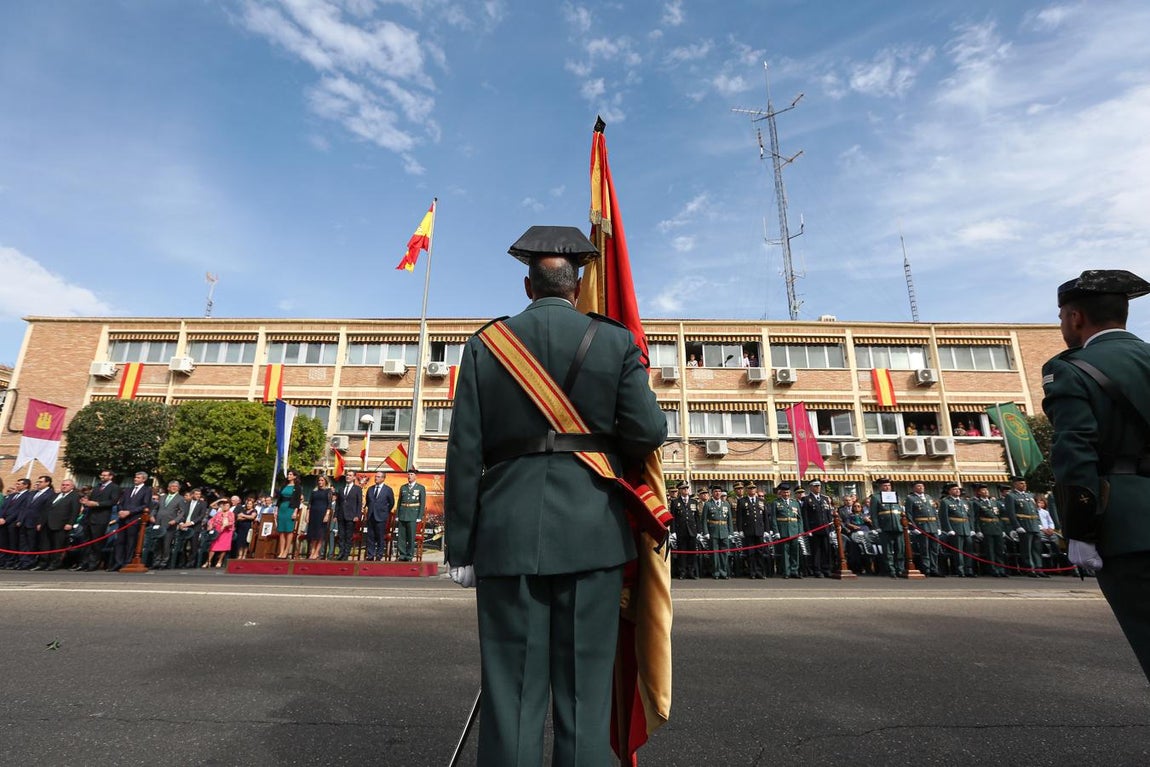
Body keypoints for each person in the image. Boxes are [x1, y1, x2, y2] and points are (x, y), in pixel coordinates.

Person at [443, 226, 667, 767]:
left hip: (505, 534)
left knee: (511, 695)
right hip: (593, 532)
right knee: (584, 696)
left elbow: (464, 449)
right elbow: (647, 431)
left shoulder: (485, 344)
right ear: (578, 285)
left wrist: (460, 545)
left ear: (527, 287)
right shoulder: (614, 341)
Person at [1042, 268, 1150, 681]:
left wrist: (1080, 531)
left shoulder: (1072, 367)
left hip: (1129, 530)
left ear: (1075, 318)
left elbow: (1075, 454)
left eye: (1061, 319)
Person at [1003, 475, 1042, 577]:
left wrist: (1039, 523)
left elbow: (1035, 511)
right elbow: (1011, 513)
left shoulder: (1029, 496)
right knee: (1027, 549)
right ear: (1015, 484)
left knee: (1037, 548)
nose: (1024, 485)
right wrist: (1017, 526)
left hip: (1034, 524)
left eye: (1025, 483)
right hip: (1024, 525)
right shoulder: (1011, 496)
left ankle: (1039, 568)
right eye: (1021, 483)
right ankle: (1029, 568)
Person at [112, 472, 152, 571]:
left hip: (134, 519)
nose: (135, 479)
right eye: (135, 477)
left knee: (131, 541)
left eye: (138, 478)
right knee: (120, 541)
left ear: (144, 479)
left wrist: (129, 512)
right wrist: (121, 510)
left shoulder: (146, 490)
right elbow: (120, 502)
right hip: (123, 519)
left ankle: (127, 562)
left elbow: (145, 505)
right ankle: (118, 562)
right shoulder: (128, 490)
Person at [41, 479, 81, 571]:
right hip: (47, 523)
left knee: (57, 545)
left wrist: (70, 523)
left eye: (67, 485)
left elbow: (75, 511)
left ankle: (54, 563)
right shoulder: (56, 495)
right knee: (45, 545)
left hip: (61, 525)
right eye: (63, 484)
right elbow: (46, 509)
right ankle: (43, 562)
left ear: (72, 487)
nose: (64, 486)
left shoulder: (74, 496)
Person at [870, 478, 906, 578]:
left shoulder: (896, 496)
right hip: (885, 526)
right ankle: (891, 570)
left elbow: (901, 510)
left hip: (898, 525)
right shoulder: (876, 497)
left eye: (889, 485)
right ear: (880, 487)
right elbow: (874, 514)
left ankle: (900, 569)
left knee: (900, 549)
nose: (887, 487)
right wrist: (876, 526)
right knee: (888, 551)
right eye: (885, 486)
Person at [905, 481, 942, 577]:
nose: (921, 487)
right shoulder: (910, 498)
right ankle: (927, 568)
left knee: (934, 549)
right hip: (922, 526)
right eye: (918, 486)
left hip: (933, 525)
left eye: (922, 486)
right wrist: (913, 527)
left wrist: (938, 526)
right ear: (914, 488)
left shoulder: (929, 497)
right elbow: (909, 514)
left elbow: (935, 513)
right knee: (924, 549)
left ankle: (934, 568)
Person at [801, 479, 836, 578]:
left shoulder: (825, 499)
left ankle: (826, 568)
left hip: (825, 529)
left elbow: (828, 514)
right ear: (811, 487)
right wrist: (808, 530)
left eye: (819, 486)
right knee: (816, 551)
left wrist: (831, 528)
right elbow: (805, 516)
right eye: (815, 486)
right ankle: (817, 570)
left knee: (826, 549)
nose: (818, 488)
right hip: (814, 529)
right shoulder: (807, 499)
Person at [971, 483, 1007, 577]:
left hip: (997, 527)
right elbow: (975, 517)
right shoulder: (976, 503)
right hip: (986, 527)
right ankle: (992, 569)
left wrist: (1002, 529)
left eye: (986, 490)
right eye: (983, 490)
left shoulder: (994, 502)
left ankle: (1001, 568)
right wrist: (978, 530)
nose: (986, 491)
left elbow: (999, 516)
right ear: (978, 492)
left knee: (999, 550)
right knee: (990, 550)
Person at [940, 483, 974, 577]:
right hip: (955, 528)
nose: (957, 490)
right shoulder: (946, 501)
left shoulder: (964, 501)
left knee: (968, 550)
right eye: (954, 489)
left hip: (966, 527)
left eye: (958, 489)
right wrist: (948, 529)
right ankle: (960, 570)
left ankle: (969, 569)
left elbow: (970, 516)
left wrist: (972, 528)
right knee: (958, 551)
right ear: (949, 491)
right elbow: (944, 516)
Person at [150, 480, 187, 569]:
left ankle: (164, 562)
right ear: (168, 488)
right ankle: (156, 562)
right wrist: (151, 515)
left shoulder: (180, 498)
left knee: (166, 544)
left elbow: (182, 512)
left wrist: (175, 520)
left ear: (178, 488)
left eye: (176, 486)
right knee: (157, 543)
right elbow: (156, 508)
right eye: (172, 486)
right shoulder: (163, 497)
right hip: (158, 523)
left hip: (169, 524)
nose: (174, 488)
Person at [669, 480, 701, 580]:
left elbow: (697, 518)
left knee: (692, 552)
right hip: (681, 531)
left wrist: (699, 531)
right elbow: (672, 518)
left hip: (692, 531)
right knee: (682, 553)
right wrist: (673, 531)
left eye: (687, 488)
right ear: (679, 490)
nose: (686, 490)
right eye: (683, 488)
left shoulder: (694, 502)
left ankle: (691, 571)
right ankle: (682, 571)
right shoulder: (675, 502)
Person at [738, 481, 769, 579]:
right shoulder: (742, 501)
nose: (752, 490)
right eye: (750, 488)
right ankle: (752, 572)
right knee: (750, 553)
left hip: (759, 530)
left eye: (753, 488)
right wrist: (740, 530)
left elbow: (765, 517)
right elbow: (740, 517)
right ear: (747, 490)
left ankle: (760, 572)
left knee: (760, 552)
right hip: (748, 530)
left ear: (756, 490)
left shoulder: (761, 501)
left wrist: (767, 530)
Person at [772, 483, 803, 579]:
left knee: (795, 551)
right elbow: (773, 518)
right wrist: (776, 531)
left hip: (794, 530)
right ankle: (787, 571)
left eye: (788, 492)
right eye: (784, 492)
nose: (786, 494)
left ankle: (795, 570)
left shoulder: (795, 503)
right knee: (785, 553)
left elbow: (799, 518)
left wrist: (800, 531)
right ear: (781, 493)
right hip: (783, 530)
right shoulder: (776, 503)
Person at [171, 488, 206, 569]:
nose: (198, 496)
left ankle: (190, 563)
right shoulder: (186, 503)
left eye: (199, 494)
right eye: (196, 494)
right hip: (184, 526)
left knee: (193, 546)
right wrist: (181, 523)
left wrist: (191, 522)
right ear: (192, 494)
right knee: (182, 546)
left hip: (195, 527)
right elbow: (182, 514)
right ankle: (182, 562)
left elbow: (201, 516)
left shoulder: (202, 503)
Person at [396, 469, 425, 562]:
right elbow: (399, 502)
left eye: (411, 474)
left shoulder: (420, 488)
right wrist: (397, 514)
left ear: (415, 476)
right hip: (403, 513)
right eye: (408, 474)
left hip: (413, 514)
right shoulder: (403, 487)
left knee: (411, 536)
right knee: (402, 536)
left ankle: (409, 555)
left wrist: (419, 516)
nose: (409, 476)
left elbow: (422, 503)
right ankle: (402, 554)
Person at [365, 472, 395, 561]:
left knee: (380, 536)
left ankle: (379, 554)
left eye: (378, 477)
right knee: (370, 536)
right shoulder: (370, 489)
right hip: (371, 516)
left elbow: (391, 503)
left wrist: (385, 511)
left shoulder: (388, 490)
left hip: (381, 516)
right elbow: (368, 501)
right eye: (376, 476)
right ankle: (370, 555)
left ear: (383, 478)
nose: (376, 478)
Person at [704, 485, 732, 579]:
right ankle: (716, 572)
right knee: (715, 553)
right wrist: (706, 532)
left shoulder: (726, 504)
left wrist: (730, 532)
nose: (718, 493)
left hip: (724, 531)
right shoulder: (708, 504)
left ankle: (723, 572)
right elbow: (703, 520)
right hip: (713, 531)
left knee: (724, 553)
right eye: (715, 491)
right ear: (712, 493)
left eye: (719, 491)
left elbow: (730, 520)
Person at [335, 471, 363, 560]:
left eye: (350, 475)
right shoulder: (341, 488)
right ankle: (341, 553)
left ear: (354, 477)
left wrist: (357, 515)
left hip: (351, 516)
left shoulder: (357, 489)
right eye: (347, 475)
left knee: (348, 536)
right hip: (341, 515)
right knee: (341, 535)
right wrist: (335, 515)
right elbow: (338, 503)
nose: (348, 477)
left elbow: (359, 503)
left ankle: (346, 554)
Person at [306, 475, 334, 560]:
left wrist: (327, 514)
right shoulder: (314, 491)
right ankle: (312, 550)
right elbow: (309, 503)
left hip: (322, 513)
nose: (320, 482)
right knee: (313, 534)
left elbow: (329, 504)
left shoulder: (328, 491)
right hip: (313, 513)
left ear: (325, 481)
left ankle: (316, 552)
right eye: (319, 480)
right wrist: (307, 514)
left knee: (320, 534)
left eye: (322, 480)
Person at [275, 470, 302, 559]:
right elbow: (279, 499)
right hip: (282, 508)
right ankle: (281, 550)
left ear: (295, 476)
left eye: (290, 474)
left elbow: (297, 501)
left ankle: (286, 551)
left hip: (290, 508)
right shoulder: (284, 486)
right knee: (281, 530)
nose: (288, 475)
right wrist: (276, 509)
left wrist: (295, 511)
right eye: (288, 474)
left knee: (289, 530)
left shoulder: (297, 487)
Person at [204, 499, 234, 568]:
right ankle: (208, 561)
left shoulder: (231, 514)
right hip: (217, 531)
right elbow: (212, 520)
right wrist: (210, 524)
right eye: (224, 505)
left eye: (227, 505)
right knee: (213, 547)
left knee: (223, 547)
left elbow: (231, 522)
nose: (226, 507)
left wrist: (225, 525)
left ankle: (219, 561)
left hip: (226, 532)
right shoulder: (218, 513)